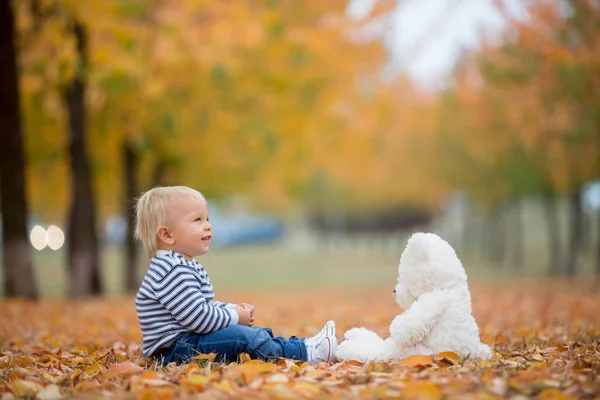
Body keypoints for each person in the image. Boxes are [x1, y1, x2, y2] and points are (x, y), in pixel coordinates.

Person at [134, 185, 336, 365]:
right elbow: (198, 318)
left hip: (187, 342)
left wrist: (230, 308)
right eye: (197, 220)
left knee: (251, 334)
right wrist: (234, 316)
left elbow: (201, 307)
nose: (208, 225)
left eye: (207, 218)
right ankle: (307, 353)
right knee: (242, 337)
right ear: (167, 235)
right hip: (175, 351)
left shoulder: (180, 264)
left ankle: (302, 346)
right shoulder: (172, 270)